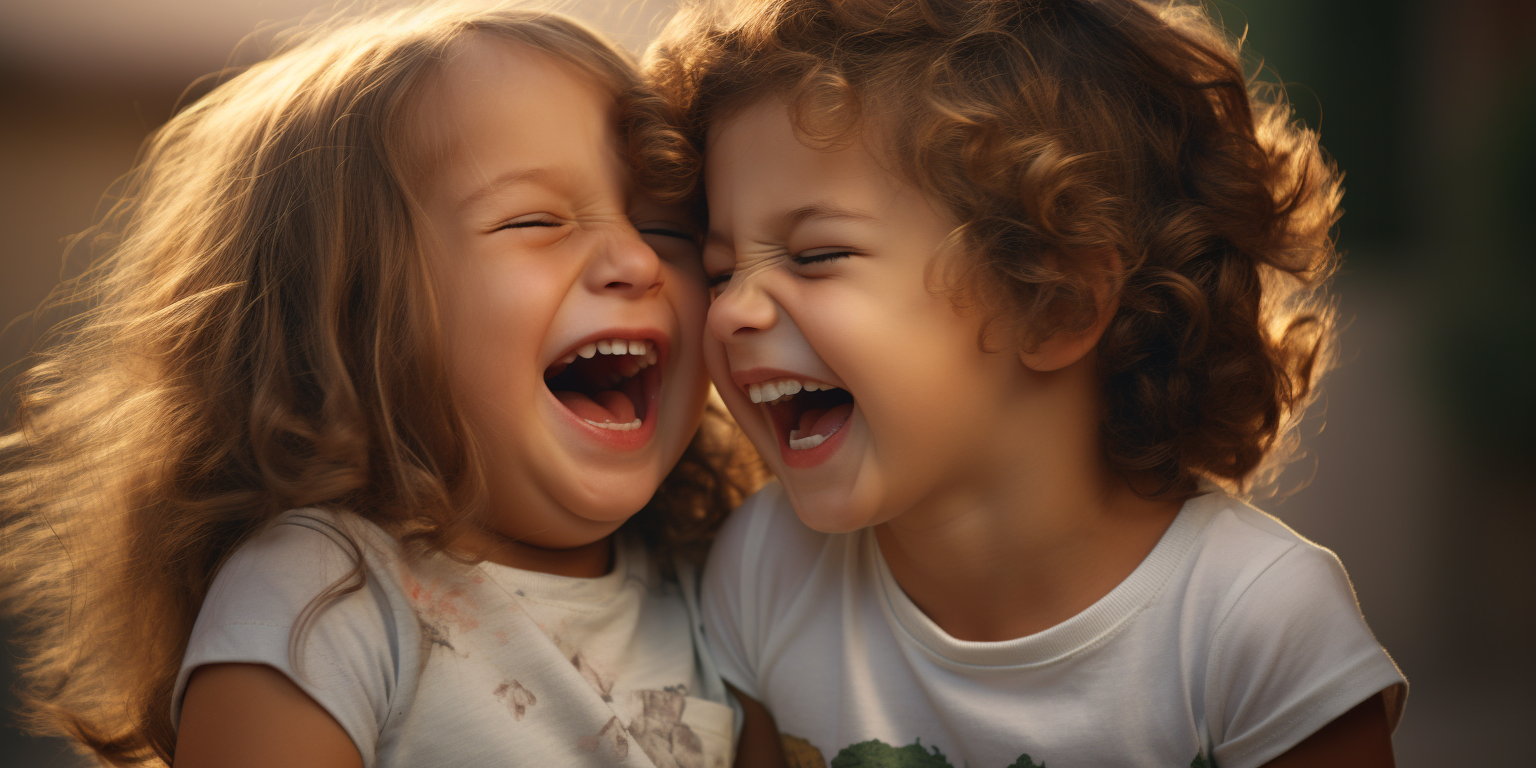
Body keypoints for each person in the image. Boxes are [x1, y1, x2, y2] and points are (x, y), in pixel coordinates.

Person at [644, 1, 1407, 766]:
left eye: (815, 255)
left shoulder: (1258, 624)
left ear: (1057, 302)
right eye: (719, 272)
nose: (732, 310)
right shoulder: (765, 570)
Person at [0, 4, 760, 767]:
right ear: (348, 314)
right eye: (535, 222)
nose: (637, 261)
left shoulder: (727, 582)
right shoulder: (321, 599)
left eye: (668, 229)